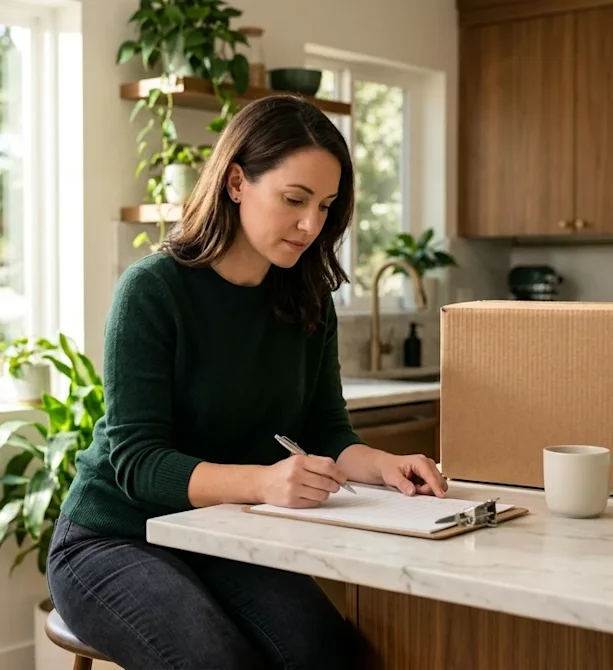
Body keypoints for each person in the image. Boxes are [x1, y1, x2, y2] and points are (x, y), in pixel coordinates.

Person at [45, 94, 448, 670]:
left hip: (222, 534)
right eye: (294, 199)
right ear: (236, 182)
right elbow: (138, 462)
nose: (312, 224)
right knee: (218, 661)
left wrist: (384, 465)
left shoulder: (308, 301)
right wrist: (263, 483)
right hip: (114, 535)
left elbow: (327, 430)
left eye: (327, 206)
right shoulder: (153, 291)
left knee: (327, 655)